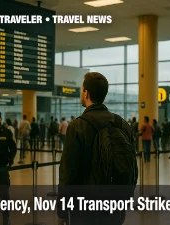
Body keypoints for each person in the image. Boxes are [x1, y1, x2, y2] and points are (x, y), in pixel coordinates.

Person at [57, 72, 136, 225]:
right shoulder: (122, 124)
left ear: (86, 93)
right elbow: (130, 168)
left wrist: (62, 211)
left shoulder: (77, 126)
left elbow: (68, 173)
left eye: (82, 90)